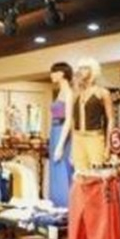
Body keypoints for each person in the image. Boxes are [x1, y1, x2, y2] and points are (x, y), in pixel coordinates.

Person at [72, 58, 114, 171]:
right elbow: (72, 117)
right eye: (80, 68)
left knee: (97, 173)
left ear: (93, 70)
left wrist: (108, 146)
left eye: (85, 68)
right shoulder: (77, 93)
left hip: (94, 137)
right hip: (77, 138)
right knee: (80, 174)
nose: (81, 71)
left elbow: (110, 119)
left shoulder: (103, 92)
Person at [48, 62, 74, 207]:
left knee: (62, 168)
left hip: (61, 133)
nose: (51, 75)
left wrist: (60, 145)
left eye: (53, 72)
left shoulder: (68, 93)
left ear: (61, 74)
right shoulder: (60, 92)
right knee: (55, 169)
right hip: (55, 131)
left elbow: (69, 120)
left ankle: (65, 205)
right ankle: (57, 203)